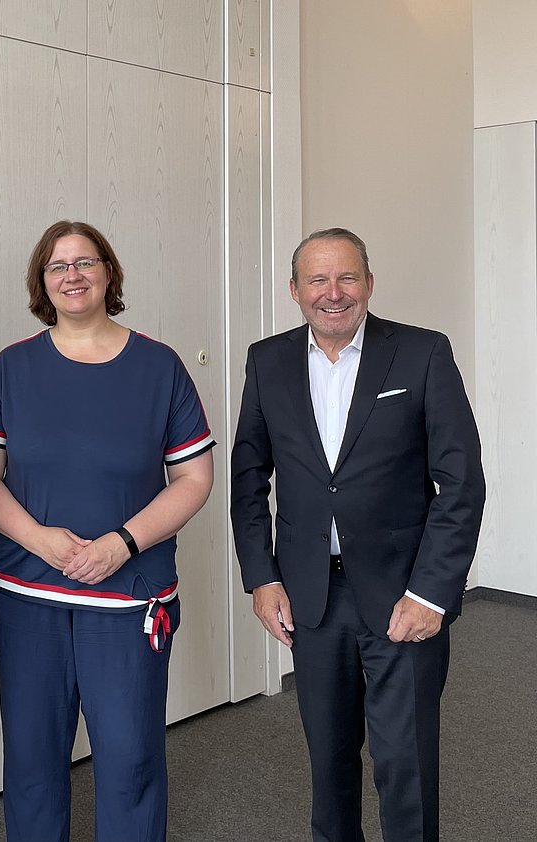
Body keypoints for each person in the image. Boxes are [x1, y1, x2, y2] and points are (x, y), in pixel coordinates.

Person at [230, 228, 486, 842]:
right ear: (295, 290)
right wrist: (262, 578)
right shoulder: (268, 361)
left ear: (369, 284)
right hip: (311, 598)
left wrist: (432, 594)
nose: (333, 292)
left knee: (406, 765)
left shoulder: (423, 353)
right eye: (317, 280)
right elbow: (248, 477)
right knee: (329, 763)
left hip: (403, 595)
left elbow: (462, 481)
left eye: (347, 278)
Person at [0, 220, 215, 842]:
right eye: (58, 267)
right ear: (42, 283)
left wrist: (121, 544)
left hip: (128, 594)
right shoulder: (11, 368)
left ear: (109, 274)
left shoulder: (160, 367)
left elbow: (192, 478)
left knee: (130, 759)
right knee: (31, 759)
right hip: (29, 593)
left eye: (85, 263)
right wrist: (41, 539)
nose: (72, 276)